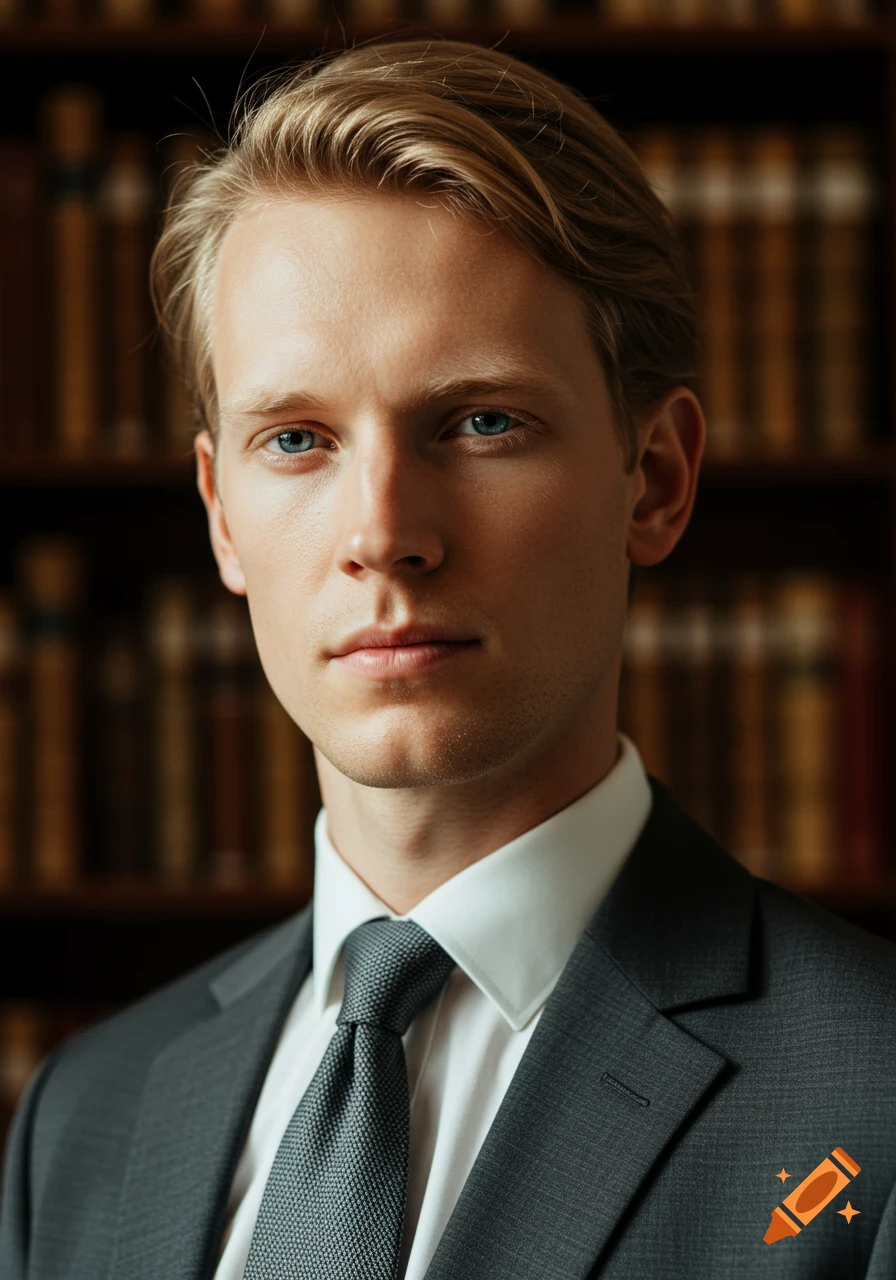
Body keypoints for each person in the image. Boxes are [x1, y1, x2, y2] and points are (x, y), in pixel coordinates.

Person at [2, 36, 895, 1280]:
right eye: (298, 439)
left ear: (655, 478)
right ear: (219, 514)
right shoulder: (82, 1118)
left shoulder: (874, 1101)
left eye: (481, 421)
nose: (382, 533)